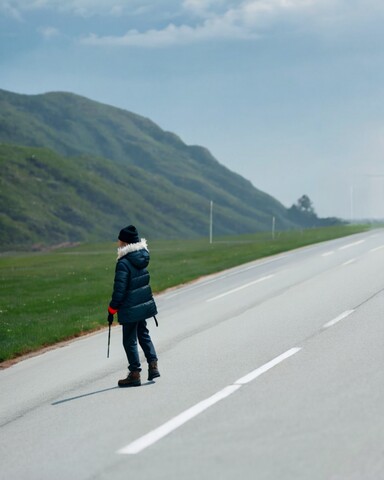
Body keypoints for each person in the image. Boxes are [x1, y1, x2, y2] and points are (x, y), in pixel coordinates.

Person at [107, 225, 160, 387]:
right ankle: (153, 365)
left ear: (125, 242)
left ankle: (135, 374)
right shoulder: (141, 258)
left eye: (120, 239)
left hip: (130, 308)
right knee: (143, 334)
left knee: (129, 340)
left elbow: (120, 289)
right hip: (143, 305)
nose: (118, 242)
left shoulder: (123, 263)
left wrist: (112, 308)